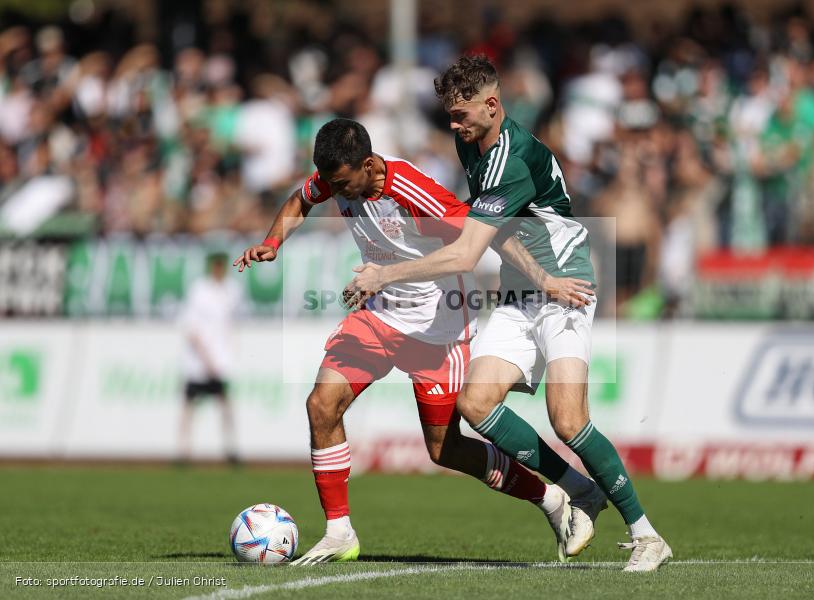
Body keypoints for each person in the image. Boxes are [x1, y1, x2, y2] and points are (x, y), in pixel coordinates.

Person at [351, 55, 672, 571]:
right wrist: (535, 277)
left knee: (568, 420)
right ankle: (581, 491)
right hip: (525, 292)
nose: (453, 126)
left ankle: (647, 535)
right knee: (475, 404)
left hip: (567, 287)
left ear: (492, 105)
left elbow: (466, 254)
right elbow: (495, 229)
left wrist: (384, 275)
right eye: (449, 116)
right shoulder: (472, 143)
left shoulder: (510, 160)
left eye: (460, 115)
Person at [234, 118, 603, 565]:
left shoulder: (412, 192)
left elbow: (488, 233)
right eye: (332, 184)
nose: (336, 192)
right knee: (321, 405)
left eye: (343, 184)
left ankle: (550, 498)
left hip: (439, 325)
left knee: (445, 449)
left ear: (368, 165)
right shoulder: (336, 178)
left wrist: (543, 278)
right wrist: (273, 241)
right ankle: (339, 533)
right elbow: (299, 199)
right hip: (379, 315)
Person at [178, 252, 242, 465]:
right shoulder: (199, 290)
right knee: (189, 405)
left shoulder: (231, 290)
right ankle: (183, 451)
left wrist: (225, 355)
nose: (219, 269)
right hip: (199, 361)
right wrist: (205, 357)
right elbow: (191, 327)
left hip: (220, 360)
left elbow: (229, 324)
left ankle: (231, 449)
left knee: (225, 404)